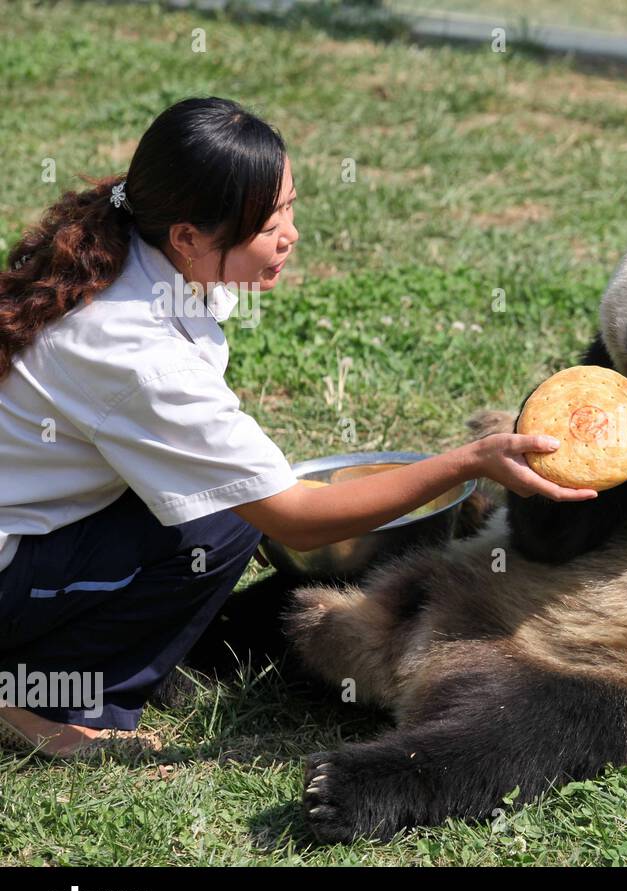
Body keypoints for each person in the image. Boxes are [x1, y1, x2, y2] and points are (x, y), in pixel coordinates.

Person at [0, 96, 596, 757]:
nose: (290, 233)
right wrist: (468, 463)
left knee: (221, 504)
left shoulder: (138, 246)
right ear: (190, 237)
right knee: (227, 518)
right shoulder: (132, 347)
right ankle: (52, 700)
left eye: (288, 205)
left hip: (37, 519)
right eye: (265, 223)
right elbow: (292, 517)